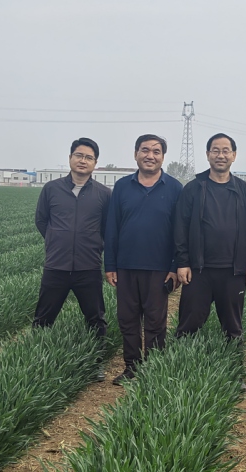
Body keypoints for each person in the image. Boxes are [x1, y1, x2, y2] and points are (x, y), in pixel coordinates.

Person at [104, 134, 182, 385]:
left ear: (163, 157)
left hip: (159, 268)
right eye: (145, 150)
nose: (150, 155)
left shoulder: (174, 188)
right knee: (127, 320)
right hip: (126, 266)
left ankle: (154, 369)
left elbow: (180, 232)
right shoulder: (122, 187)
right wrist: (110, 265)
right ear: (136, 154)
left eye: (156, 151)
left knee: (155, 321)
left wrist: (174, 266)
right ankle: (131, 367)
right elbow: (112, 227)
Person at [33, 137, 111, 382]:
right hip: (56, 266)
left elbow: (107, 228)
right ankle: (36, 361)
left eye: (89, 157)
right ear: (70, 158)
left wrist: (93, 245)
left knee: (95, 318)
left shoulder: (103, 194)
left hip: (88, 267)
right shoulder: (52, 189)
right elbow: (41, 220)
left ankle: (96, 363)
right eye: (79, 155)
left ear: (95, 163)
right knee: (43, 317)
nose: (83, 160)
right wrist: (56, 240)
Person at [174, 133, 246, 343]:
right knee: (189, 323)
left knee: (233, 327)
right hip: (198, 270)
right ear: (207, 154)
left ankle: (232, 359)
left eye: (225, 151)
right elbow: (180, 227)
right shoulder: (193, 188)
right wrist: (183, 262)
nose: (220, 155)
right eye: (215, 151)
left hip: (233, 270)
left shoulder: (244, 190)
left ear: (234, 155)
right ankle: (182, 356)